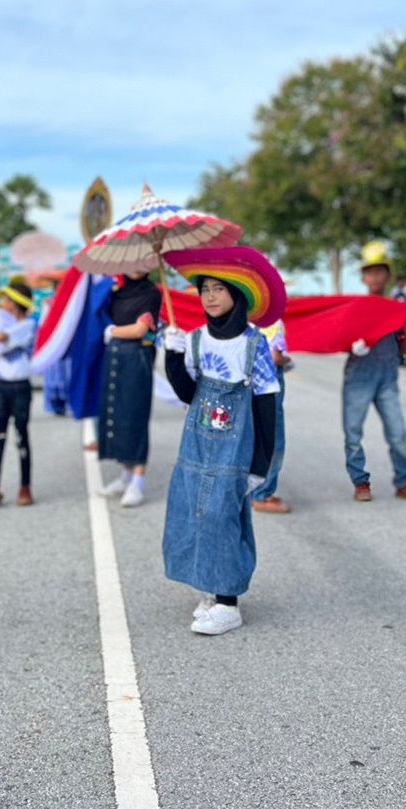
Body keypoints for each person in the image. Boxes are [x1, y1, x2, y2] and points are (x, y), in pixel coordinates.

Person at [161, 247, 285, 635]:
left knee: (221, 518)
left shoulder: (254, 344)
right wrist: (171, 357)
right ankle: (210, 591)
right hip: (195, 449)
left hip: (235, 453)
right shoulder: (195, 340)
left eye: (219, 289)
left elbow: (267, 407)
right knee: (192, 515)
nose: (210, 297)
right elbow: (186, 392)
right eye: (204, 290)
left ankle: (229, 605)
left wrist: (261, 466)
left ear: (237, 294)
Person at [344, 241, 406, 503]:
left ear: (388, 275)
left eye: (379, 271)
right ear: (364, 277)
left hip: (387, 377)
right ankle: (360, 482)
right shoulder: (356, 307)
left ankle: (403, 482)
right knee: (354, 433)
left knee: (397, 433)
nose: (375, 276)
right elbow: (341, 338)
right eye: (370, 272)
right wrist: (354, 344)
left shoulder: (396, 309)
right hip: (358, 376)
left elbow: (403, 349)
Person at [99, 270, 160, 507]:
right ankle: (125, 474)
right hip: (115, 357)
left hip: (138, 358)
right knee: (118, 415)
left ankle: (138, 480)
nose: (136, 267)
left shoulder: (151, 293)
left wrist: (112, 331)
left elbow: (139, 330)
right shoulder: (118, 293)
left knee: (136, 415)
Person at [0, 279, 37, 507]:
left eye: (8, 300)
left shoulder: (27, 326)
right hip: (1, 387)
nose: (4, 304)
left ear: (16, 303)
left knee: (22, 437)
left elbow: (0, 341)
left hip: (21, 387)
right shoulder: (8, 325)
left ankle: (25, 487)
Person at [250, 317, 294, 513]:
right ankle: (262, 494)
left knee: (253, 437)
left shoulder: (243, 320)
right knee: (273, 439)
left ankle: (250, 490)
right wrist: (288, 360)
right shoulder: (273, 323)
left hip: (249, 383)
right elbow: (276, 358)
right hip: (269, 384)